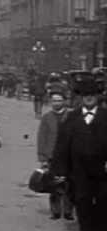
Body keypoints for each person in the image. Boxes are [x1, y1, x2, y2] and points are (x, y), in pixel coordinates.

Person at [52, 80, 107, 231]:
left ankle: (101, 230)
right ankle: (86, 229)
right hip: (79, 167)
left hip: (102, 166)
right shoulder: (72, 118)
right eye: (85, 95)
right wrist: (59, 170)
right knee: (82, 197)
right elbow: (62, 145)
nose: (89, 98)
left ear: (97, 97)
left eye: (92, 95)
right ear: (81, 98)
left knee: (103, 197)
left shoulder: (105, 116)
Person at [37, 91, 73, 220]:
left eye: (59, 100)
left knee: (69, 183)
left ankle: (68, 211)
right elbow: (42, 137)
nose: (56, 103)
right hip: (52, 155)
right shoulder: (47, 117)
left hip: (69, 155)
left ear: (64, 101)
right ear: (50, 102)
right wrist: (43, 158)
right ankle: (55, 211)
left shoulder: (71, 116)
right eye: (54, 101)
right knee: (53, 184)